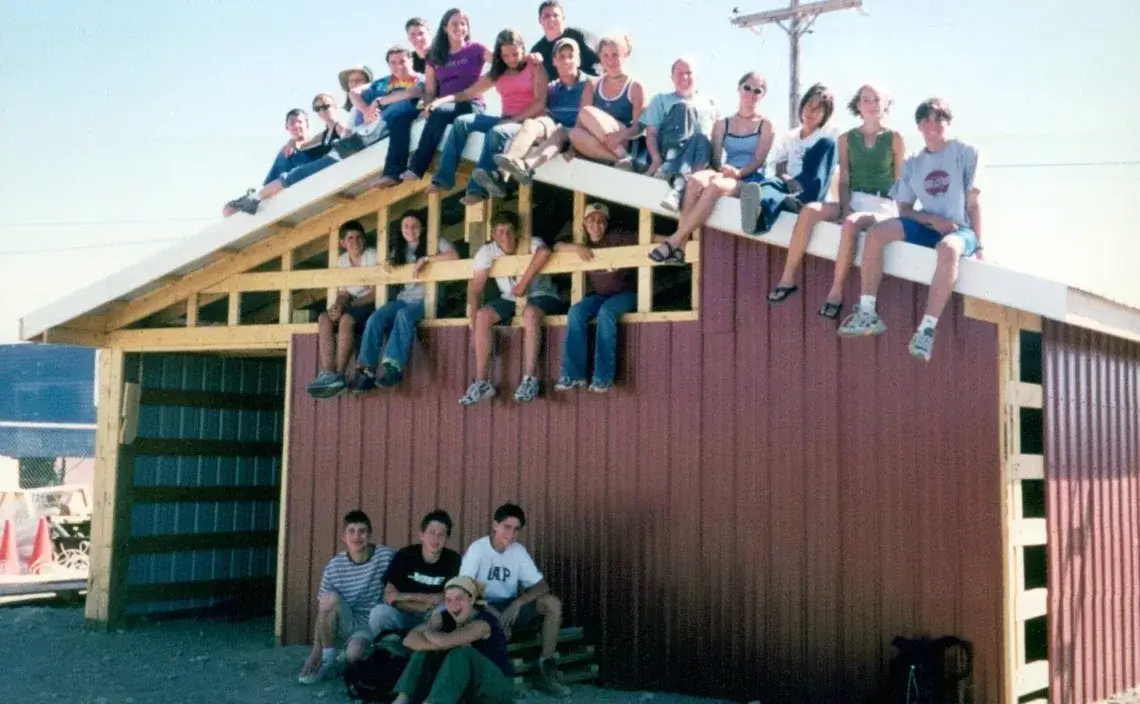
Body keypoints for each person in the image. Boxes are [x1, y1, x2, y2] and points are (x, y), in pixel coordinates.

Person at [838, 98, 984, 362]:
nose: (932, 125)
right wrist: (930, 219)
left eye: (938, 118)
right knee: (877, 233)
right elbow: (904, 209)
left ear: (947, 123)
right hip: (929, 227)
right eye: (925, 120)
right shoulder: (913, 163)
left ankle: (926, 330)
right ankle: (868, 312)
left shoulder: (966, 152)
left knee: (948, 248)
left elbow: (974, 204)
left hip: (960, 231)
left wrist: (981, 246)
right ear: (918, 126)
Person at [768, 83, 905, 318]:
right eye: (865, 99)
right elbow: (843, 180)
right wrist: (843, 206)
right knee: (810, 210)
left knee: (851, 223)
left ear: (885, 105)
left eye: (876, 100)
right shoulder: (846, 139)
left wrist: (903, 219)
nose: (870, 104)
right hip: (854, 201)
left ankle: (836, 292)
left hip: (882, 205)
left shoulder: (894, 138)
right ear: (857, 104)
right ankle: (787, 278)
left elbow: (901, 182)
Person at [648, 71, 774, 266]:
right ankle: (680, 250)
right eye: (747, 87)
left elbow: (759, 159)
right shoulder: (722, 124)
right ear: (739, 89)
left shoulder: (766, 124)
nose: (751, 94)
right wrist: (722, 168)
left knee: (714, 187)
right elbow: (715, 158)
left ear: (762, 95)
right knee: (696, 181)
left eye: (757, 90)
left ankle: (673, 241)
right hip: (726, 173)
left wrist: (738, 172)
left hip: (749, 179)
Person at [459, 503, 570, 696]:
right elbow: (464, 590)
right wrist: (493, 612)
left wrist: (518, 603)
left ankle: (545, 668)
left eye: (516, 529)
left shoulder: (517, 551)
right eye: (506, 527)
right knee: (502, 631)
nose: (511, 534)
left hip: (509, 603)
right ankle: (488, 682)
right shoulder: (478, 549)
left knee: (552, 603)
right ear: (495, 526)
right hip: (482, 605)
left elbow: (542, 586)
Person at [429, 29, 548, 205]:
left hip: (527, 123)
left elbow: (540, 103)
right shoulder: (497, 72)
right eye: (506, 55)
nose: (511, 59)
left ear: (524, 49)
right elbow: (467, 93)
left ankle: (477, 190)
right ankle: (444, 179)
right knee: (461, 121)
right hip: (506, 119)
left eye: (515, 53)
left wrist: (513, 120)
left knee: (497, 131)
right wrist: (440, 101)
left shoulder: (534, 65)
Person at [459, 211, 566, 406]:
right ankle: (482, 382)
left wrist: (523, 283)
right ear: (493, 235)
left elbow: (544, 252)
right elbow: (476, 290)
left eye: (509, 231)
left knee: (530, 313)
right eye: (500, 232)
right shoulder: (487, 251)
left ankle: (530, 379)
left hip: (541, 295)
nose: (506, 237)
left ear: (516, 232)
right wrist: (473, 327)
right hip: (510, 298)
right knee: (483, 316)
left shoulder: (529, 242)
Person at [350, 211, 458, 393]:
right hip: (404, 299)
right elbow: (388, 265)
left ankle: (394, 368)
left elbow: (453, 255)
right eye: (406, 226)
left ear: (422, 228)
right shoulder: (399, 247)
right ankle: (367, 371)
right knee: (375, 318)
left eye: (415, 226)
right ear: (400, 229)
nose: (410, 230)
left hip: (427, 300)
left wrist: (426, 259)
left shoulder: (433, 240)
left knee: (403, 316)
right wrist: (388, 264)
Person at [298, 511, 395, 685]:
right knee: (328, 599)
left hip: (371, 624)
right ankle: (327, 660)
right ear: (343, 537)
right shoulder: (335, 566)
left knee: (354, 655)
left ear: (370, 534)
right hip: (347, 621)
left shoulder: (386, 556)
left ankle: (345, 659)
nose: (357, 536)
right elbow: (324, 611)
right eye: (351, 531)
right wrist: (315, 651)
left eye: (362, 531)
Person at [398, 8, 492, 185]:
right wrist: (427, 106)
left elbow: (499, 62)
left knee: (448, 113)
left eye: (463, 24)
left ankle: (432, 171)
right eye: (454, 24)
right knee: (437, 113)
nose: (459, 27)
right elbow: (430, 90)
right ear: (445, 28)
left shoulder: (477, 49)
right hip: (445, 104)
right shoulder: (435, 58)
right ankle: (417, 168)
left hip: (471, 102)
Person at [390, 576, 517, 704]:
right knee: (422, 650)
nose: (453, 605)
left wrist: (428, 632)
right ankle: (402, 698)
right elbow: (409, 640)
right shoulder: (444, 616)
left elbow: (445, 642)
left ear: (471, 599)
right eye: (448, 600)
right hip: (466, 688)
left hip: (496, 688)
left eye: (459, 599)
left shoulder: (482, 623)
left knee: (462, 653)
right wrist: (435, 644)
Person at [553, 202, 637, 392]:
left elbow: (646, 238)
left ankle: (602, 377)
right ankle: (573, 376)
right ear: (584, 223)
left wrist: (676, 238)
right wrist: (575, 248)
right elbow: (557, 246)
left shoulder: (617, 237)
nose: (595, 225)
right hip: (602, 295)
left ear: (606, 224)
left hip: (628, 295)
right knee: (575, 311)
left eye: (600, 221)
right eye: (591, 220)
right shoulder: (582, 241)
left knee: (606, 312)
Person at [739, 83, 838, 237]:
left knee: (826, 144)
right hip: (789, 185)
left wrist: (801, 185)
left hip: (811, 190)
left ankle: (801, 201)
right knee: (769, 184)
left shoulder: (828, 133)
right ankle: (758, 218)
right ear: (802, 106)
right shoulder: (789, 137)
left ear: (826, 114)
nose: (812, 111)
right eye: (809, 105)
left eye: (819, 108)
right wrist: (789, 180)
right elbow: (780, 166)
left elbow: (828, 160)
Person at [224, 95, 350, 216]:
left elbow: (349, 138)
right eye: (317, 109)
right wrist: (291, 142)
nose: (322, 111)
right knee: (285, 153)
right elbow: (303, 145)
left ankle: (257, 195)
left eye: (326, 106)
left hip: (314, 170)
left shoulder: (338, 126)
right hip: (301, 169)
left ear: (335, 107)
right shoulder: (325, 134)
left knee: (293, 168)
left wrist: (335, 123)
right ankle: (260, 192)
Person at [492, 36, 588, 185]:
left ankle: (525, 166)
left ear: (579, 60)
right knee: (531, 123)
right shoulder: (551, 88)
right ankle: (505, 167)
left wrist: (576, 146)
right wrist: (529, 59)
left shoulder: (590, 85)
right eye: (561, 57)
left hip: (577, 132)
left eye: (571, 56)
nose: (566, 61)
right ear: (554, 62)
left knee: (560, 132)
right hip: (553, 129)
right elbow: (534, 102)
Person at [306, 221, 379, 398]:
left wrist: (348, 307)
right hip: (350, 305)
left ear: (364, 239)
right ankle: (327, 373)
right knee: (324, 318)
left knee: (346, 320)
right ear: (342, 243)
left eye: (359, 237)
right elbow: (343, 292)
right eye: (350, 238)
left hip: (370, 305)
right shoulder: (342, 261)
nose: (355, 241)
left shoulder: (373, 256)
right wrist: (338, 306)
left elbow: (377, 292)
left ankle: (339, 374)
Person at [639, 56, 719, 211]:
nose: (684, 77)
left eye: (689, 72)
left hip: (697, 162)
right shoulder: (661, 99)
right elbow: (651, 134)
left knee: (701, 138)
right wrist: (656, 159)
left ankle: (678, 186)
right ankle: (671, 167)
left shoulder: (711, 103)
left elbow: (716, 139)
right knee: (683, 107)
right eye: (679, 73)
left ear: (697, 76)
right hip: (664, 156)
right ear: (672, 77)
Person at [370, 510, 461, 635]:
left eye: (441, 534)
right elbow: (390, 596)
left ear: (447, 539)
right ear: (421, 535)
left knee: (446, 609)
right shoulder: (405, 555)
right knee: (379, 613)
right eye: (432, 532)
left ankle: (424, 646)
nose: (436, 538)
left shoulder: (453, 559)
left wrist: (402, 597)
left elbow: (446, 598)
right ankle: (387, 646)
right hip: (404, 615)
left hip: (432, 617)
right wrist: (423, 602)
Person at [567, 35, 645, 170]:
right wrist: (572, 147)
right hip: (599, 141)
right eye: (605, 55)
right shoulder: (593, 83)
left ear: (625, 55)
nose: (610, 60)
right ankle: (620, 159)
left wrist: (621, 134)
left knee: (587, 111)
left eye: (615, 55)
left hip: (621, 138)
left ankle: (621, 154)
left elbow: (639, 127)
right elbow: (581, 121)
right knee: (574, 134)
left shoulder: (635, 86)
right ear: (600, 57)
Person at [342, 48, 424, 158]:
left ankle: (367, 135)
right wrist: (366, 110)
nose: (398, 66)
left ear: (411, 61)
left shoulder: (420, 78)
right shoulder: (383, 81)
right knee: (365, 95)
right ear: (388, 66)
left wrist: (378, 102)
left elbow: (410, 93)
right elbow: (353, 92)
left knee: (403, 103)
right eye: (393, 63)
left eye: (402, 61)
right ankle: (364, 132)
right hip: (373, 121)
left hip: (400, 116)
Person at [529, 0, 601, 77]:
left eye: (555, 15)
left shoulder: (577, 35)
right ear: (539, 20)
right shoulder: (537, 50)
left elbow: (601, 61)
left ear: (563, 18)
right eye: (546, 16)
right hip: (556, 88)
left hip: (588, 84)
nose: (551, 19)